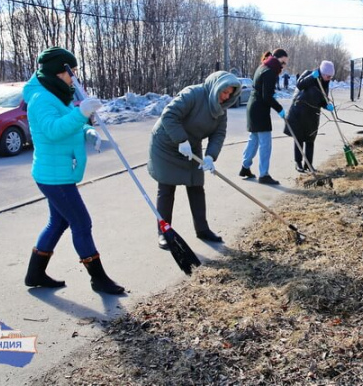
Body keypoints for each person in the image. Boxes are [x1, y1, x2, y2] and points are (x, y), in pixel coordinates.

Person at [23, 46, 124, 295]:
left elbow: (70, 125)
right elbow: (53, 129)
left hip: (59, 172)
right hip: (53, 176)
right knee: (81, 222)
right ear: (59, 73)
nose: (74, 77)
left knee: (58, 223)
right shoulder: (41, 98)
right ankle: (98, 278)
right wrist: (81, 113)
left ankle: (34, 273)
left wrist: (88, 132)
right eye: (71, 72)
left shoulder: (56, 93)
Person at [148, 71, 241, 248]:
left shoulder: (221, 110)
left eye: (230, 94)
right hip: (167, 143)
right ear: (217, 87)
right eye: (224, 92)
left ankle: (202, 229)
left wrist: (210, 156)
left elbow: (219, 134)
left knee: (196, 185)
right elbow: (168, 115)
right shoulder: (193, 94)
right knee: (167, 188)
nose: (226, 96)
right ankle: (164, 232)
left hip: (191, 145)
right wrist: (181, 140)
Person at [239, 48, 288, 185]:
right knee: (265, 144)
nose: (283, 66)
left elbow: (263, 92)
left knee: (254, 139)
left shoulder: (263, 66)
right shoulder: (270, 72)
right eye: (283, 63)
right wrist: (279, 109)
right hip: (260, 110)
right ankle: (264, 174)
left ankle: (245, 167)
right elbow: (267, 97)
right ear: (277, 59)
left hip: (253, 107)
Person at [284, 60, 335, 172]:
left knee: (310, 139)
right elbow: (299, 84)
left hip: (313, 115)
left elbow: (322, 100)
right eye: (328, 75)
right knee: (299, 138)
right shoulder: (309, 74)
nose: (329, 78)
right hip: (299, 112)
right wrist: (312, 77)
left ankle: (309, 164)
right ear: (322, 72)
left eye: (331, 76)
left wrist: (327, 106)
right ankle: (298, 163)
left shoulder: (326, 83)